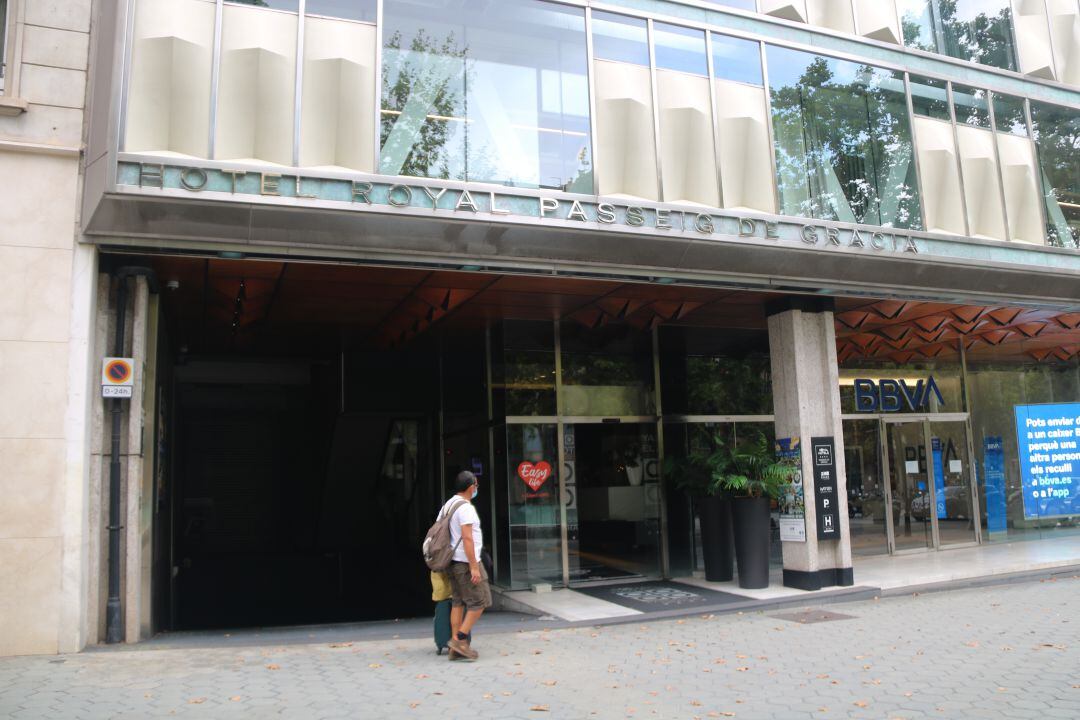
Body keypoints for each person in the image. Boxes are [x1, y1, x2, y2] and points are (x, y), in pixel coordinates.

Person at [437, 470, 491, 661]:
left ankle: (455, 647)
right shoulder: (466, 508)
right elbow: (467, 538)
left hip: (451, 562)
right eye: (476, 485)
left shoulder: (448, 505)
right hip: (465, 562)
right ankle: (459, 640)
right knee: (480, 601)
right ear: (470, 487)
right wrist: (474, 566)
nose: (477, 488)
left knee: (458, 602)